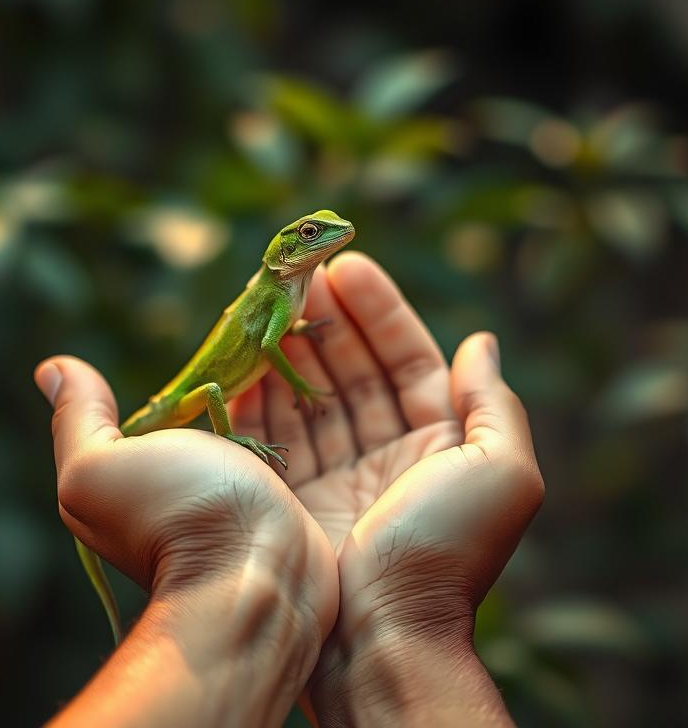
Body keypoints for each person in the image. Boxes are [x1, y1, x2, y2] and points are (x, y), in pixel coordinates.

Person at [33, 252, 544, 727]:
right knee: (213, 390)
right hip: (183, 399)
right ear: (282, 252)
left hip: (193, 399)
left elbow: (276, 332)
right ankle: (228, 435)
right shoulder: (275, 293)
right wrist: (291, 391)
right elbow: (271, 344)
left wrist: (383, 611)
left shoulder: (285, 297)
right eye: (308, 233)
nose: (327, 235)